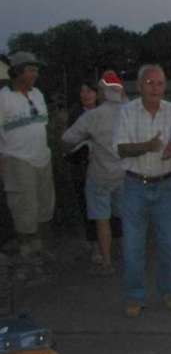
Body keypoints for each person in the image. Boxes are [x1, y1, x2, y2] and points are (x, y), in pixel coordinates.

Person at [113, 64, 171, 318]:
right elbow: (121, 148)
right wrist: (148, 146)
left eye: (159, 83)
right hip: (135, 185)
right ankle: (135, 295)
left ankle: (169, 290)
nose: (155, 88)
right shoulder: (127, 112)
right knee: (133, 246)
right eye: (149, 83)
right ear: (139, 85)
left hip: (166, 186)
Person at [62, 71, 127, 275]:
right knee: (124, 215)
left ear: (101, 91)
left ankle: (107, 262)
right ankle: (128, 256)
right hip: (123, 173)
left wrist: (86, 141)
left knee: (102, 219)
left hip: (100, 174)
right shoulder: (131, 111)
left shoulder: (93, 116)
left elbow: (67, 139)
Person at [0, 51, 55, 281]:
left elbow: (43, 125)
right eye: (31, 69)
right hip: (16, 160)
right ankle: (26, 256)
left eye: (36, 69)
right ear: (18, 72)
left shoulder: (38, 94)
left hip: (42, 158)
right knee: (24, 210)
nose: (36, 74)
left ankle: (39, 251)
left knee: (44, 208)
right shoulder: (3, 98)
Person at [65, 79, 100, 261]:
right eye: (82, 91)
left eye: (89, 91)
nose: (86, 95)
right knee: (88, 207)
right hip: (83, 169)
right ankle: (94, 244)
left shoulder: (106, 112)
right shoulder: (75, 115)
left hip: (105, 168)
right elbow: (69, 142)